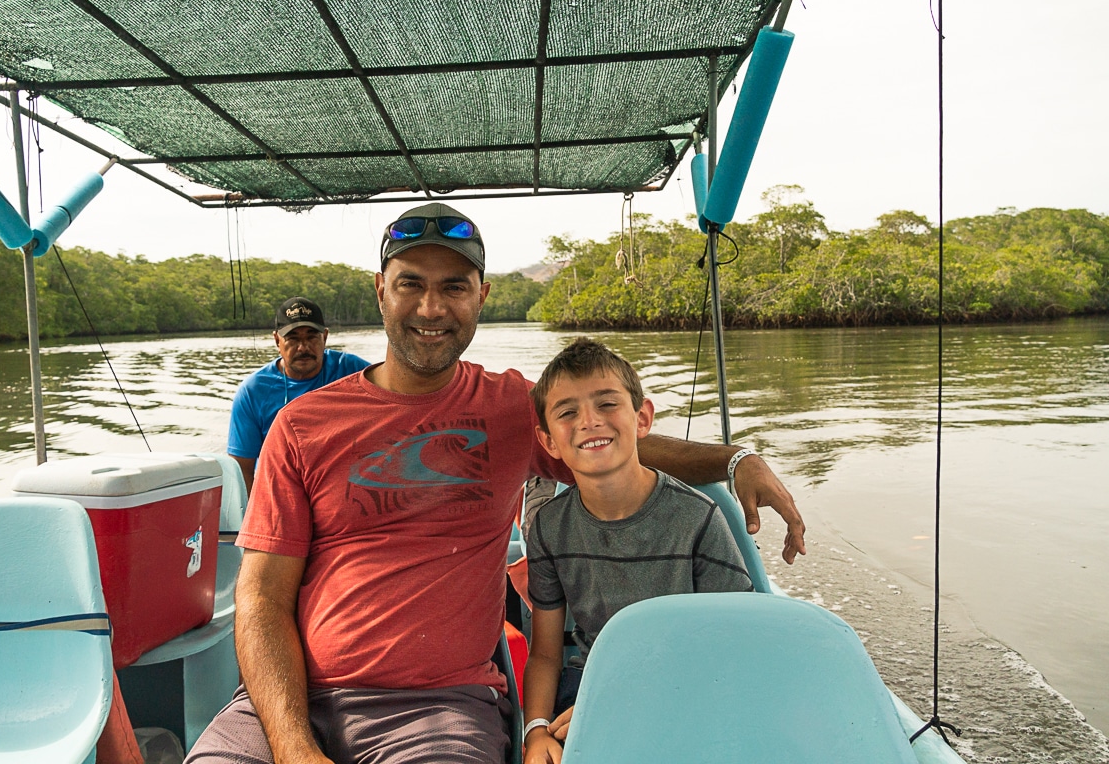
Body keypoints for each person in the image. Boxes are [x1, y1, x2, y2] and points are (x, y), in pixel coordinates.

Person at [188, 202, 806, 764]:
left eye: (454, 287)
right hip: (288, 705)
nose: (432, 308)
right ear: (380, 292)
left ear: (481, 297)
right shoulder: (301, 423)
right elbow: (263, 599)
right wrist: (293, 745)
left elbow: (613, 442)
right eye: (411, 285)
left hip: (438, 710)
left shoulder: (511, 407)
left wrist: (735, 460)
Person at [520, 339, 754, 764]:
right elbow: (546, 653)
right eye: (568, 412)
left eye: (607, 404)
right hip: (589, 686)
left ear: (642, 417)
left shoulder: (697, 519)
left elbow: (732, 648)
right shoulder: (549, 528)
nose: (589, 421)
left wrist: (632, 703)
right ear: (548, 440)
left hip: (688, 687)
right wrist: (535, 730)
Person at [226, 297, 368, 494]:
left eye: (311, 337)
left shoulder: (354, 371)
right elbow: (242, 467)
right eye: (293, 338)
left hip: (340, 485)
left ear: (324, 337)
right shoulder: (253, 391)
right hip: (282, 488)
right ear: (277, 340)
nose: (303, 348)